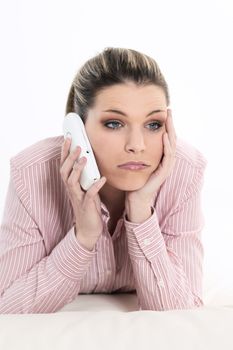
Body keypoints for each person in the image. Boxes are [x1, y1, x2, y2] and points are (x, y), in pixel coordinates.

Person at [0, 47, 206, 314]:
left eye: (153, 124)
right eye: (114, 124)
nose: (137, 145)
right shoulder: (32, 173)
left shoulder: (185, 171)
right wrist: (83, 236)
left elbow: (183, 313)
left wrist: (141, 211)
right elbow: (6, 307)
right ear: (77, 127)